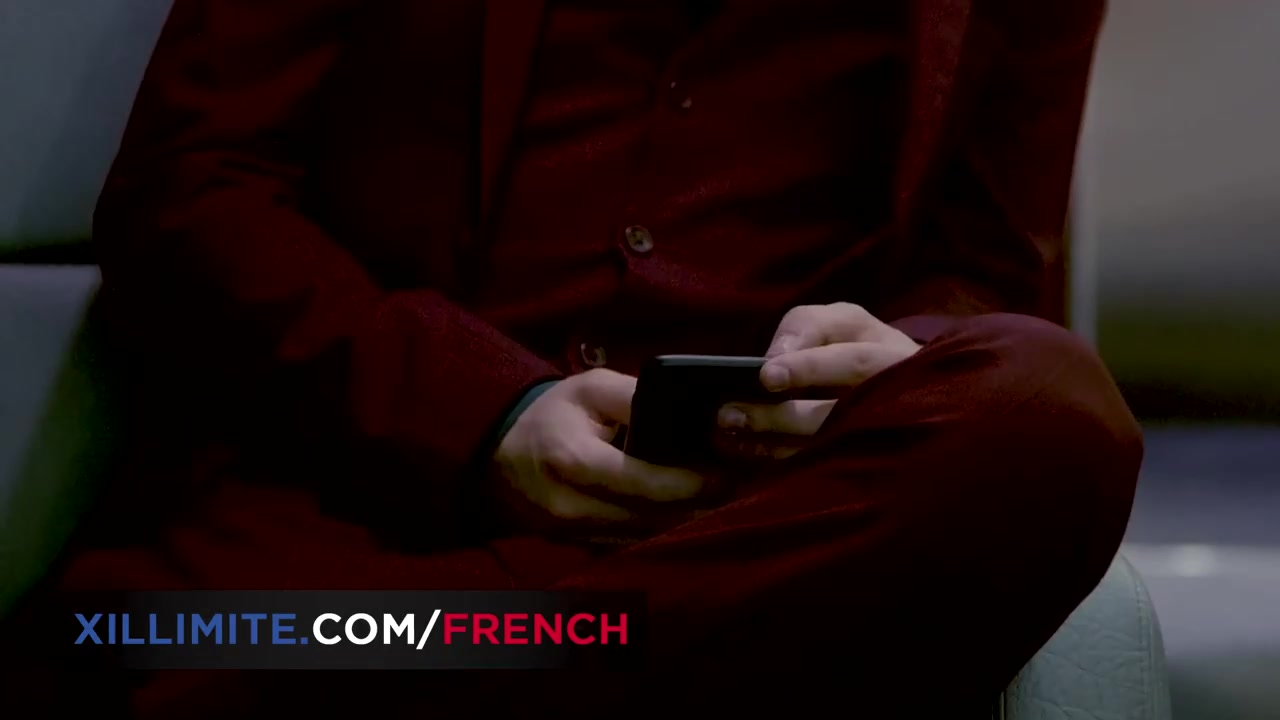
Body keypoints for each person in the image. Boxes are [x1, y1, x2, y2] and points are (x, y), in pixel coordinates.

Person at [13, 0, 1142, 716]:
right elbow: (186, 197)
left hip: (763, 543)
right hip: (351, 536)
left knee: (1048, 414)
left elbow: (977, 275)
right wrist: (486, 414)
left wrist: (872, 368)